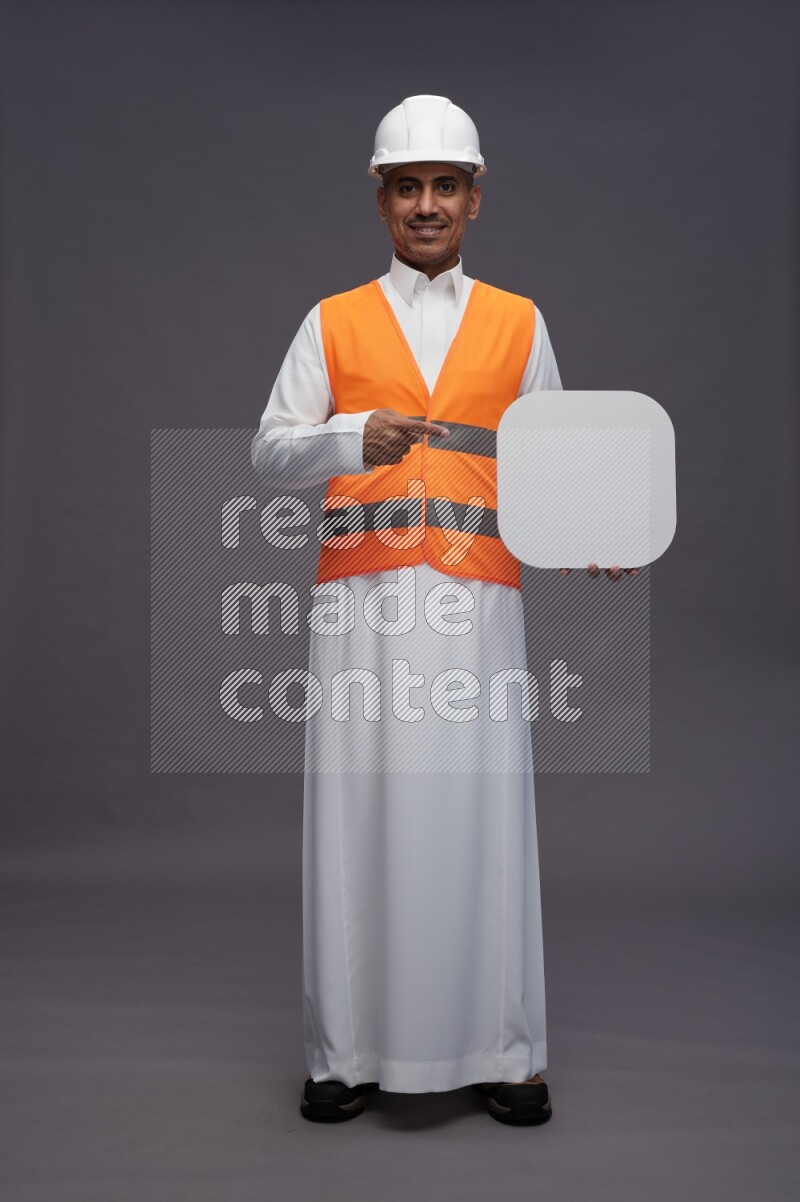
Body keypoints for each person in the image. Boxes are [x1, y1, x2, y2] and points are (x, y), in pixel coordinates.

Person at [250, 94, 632, 1127]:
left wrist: (593, 529)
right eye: (407, 186)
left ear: (472, 198)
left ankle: (504, 1050)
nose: (426, 204)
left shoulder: (520, 320)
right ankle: (345, 1052)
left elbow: (551, 458)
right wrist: (346, 439)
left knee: (483, 811)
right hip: (361, 605)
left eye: (443, 187)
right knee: (356, 808)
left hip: (474, 603)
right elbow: (268, 450)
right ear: (381, 201)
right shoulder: (329, 320)